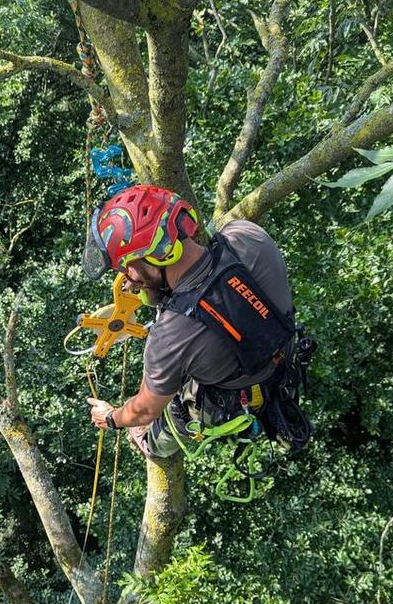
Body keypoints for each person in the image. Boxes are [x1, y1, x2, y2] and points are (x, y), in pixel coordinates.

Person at [82, 184, 297, 459]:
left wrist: (111, 417)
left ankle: (149, 443)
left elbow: (144, 411)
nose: (129, 278)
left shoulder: (169, 338)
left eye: (129, 268)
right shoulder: (247, 235)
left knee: (149, 435)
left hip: (233, 393)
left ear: (152, 259)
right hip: (283, 348)